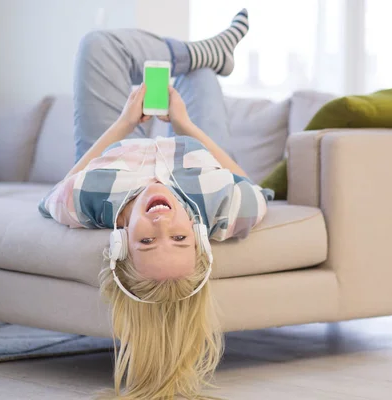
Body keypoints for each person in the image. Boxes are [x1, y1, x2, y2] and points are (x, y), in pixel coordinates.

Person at [38, 9, 272, 400]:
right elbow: (253, 188)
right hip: (196, 147)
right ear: (198, 236)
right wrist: (186, 126)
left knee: (98, 45)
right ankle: (208, 53)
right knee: (199, 73)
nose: (162, 224)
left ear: (120, 244)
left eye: (146, 243)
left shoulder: (93, 201)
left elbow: (52, 198)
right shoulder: (220, 207)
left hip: (119, 147)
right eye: (179, 238)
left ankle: (206, 51)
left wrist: (125, 123)